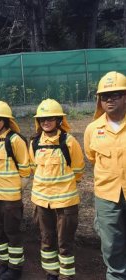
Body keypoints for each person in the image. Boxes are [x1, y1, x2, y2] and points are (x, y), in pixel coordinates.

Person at [29, 99, 85, 280]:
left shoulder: (69, 142)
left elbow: (78, 171)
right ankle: (51, 272)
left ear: (59, 120)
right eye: (42, 119)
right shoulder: (34, 143)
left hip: (65, 202)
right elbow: (33, 168)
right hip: (42, 200)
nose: (46, 122)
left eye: (50, 118)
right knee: (46, 238)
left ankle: (66, 275)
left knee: (64, 241)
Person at [84, 71, 126, 280]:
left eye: (116, 94)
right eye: (105, 96)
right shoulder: (93, 129)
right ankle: (116, 275)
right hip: (107, 195)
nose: (110, 100)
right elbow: (91, 157)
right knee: (111, 243)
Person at [0, 101, 30, 280]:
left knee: (12, 232)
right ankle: (4, 264)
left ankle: (15, 268)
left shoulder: (15, 140)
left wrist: (16, 191)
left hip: (10, 198)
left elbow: (25, 169)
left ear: (6, 120)